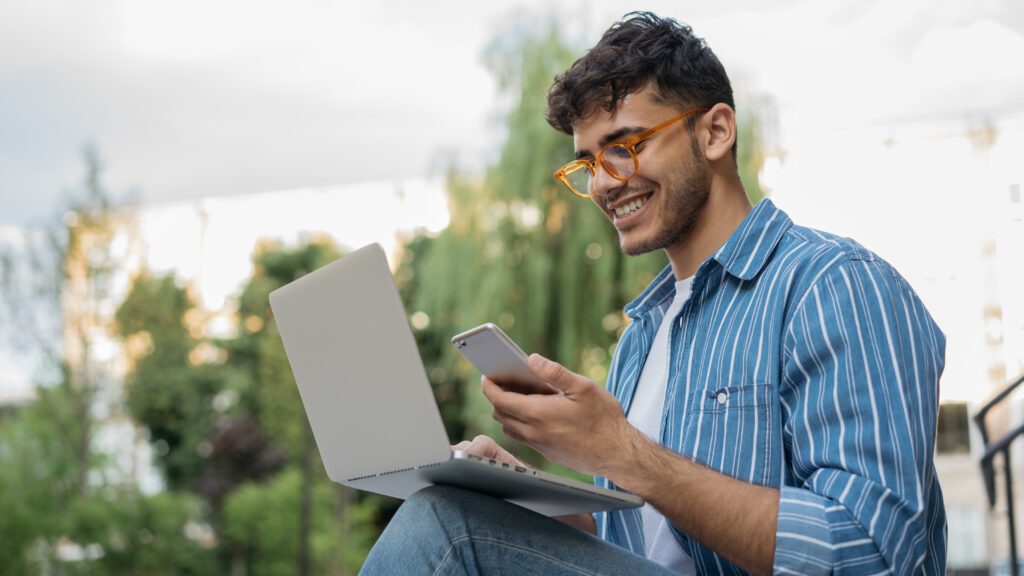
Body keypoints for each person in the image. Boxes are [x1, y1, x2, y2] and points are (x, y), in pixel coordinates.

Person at [361, 11, 945, 575]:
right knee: (463, 511)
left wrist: (619, 449)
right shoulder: (644, 332)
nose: (602, 184)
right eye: (588, 162)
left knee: (445, 525)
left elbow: (873, 553)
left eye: (625, 146)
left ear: (715, 131)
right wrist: (527, 495)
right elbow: (639, 549)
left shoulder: (835, 284)